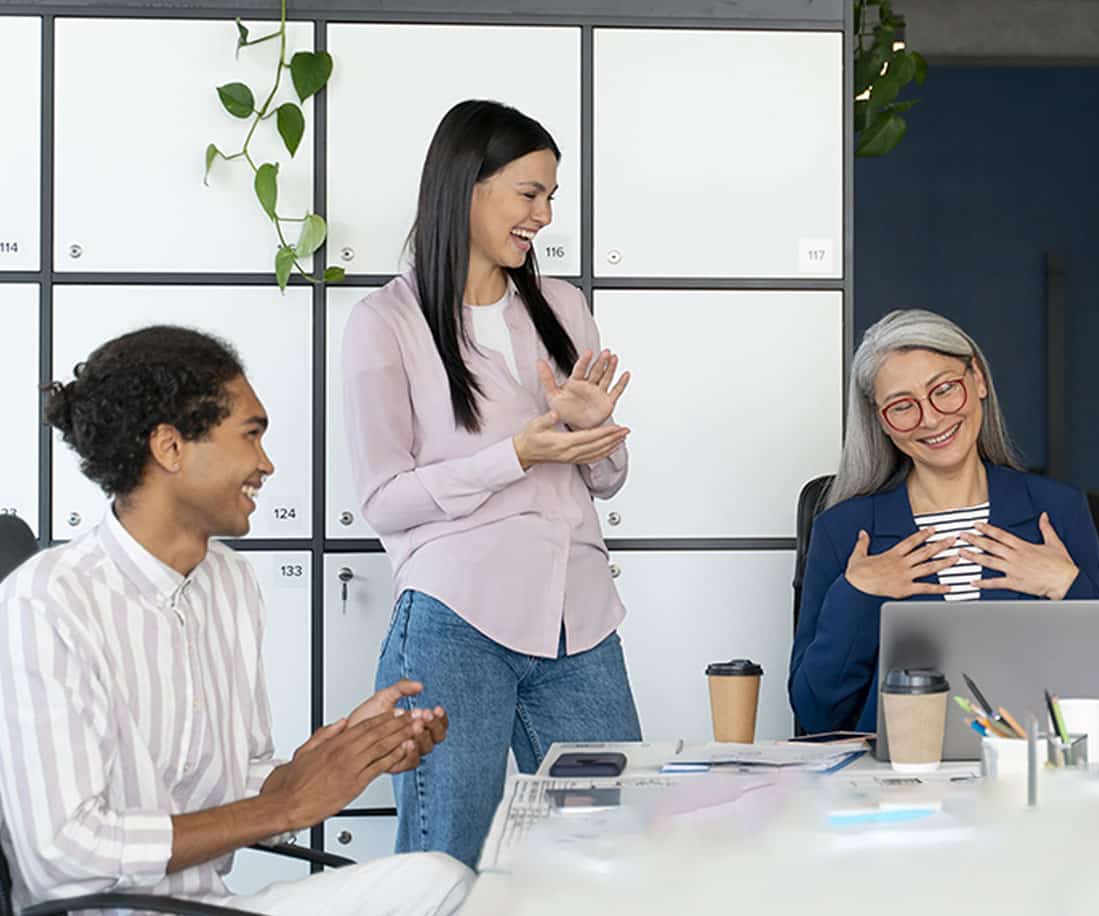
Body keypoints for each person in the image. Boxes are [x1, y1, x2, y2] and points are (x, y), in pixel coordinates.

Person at [0, 326, 471, 915]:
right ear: (170, 448)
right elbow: (60, 855)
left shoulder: (230, 583)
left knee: (443, 879)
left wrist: (338, 760)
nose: (266, 464)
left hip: (210, 906)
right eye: (250, 436)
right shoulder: (48, 603)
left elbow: (244, 781)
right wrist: (285, 807)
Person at [342, 99, 641, 868]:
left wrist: (586, 430)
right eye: (528, 193)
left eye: (549, 197)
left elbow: (604, 479)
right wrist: (517, 452)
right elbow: (383, 500)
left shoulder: (565, 308)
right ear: (465, 186)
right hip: (454, 620)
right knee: (445, 859)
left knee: (613, 847)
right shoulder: (386, 322)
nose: (542, 216)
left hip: (580, 619)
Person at [790, 310, 1099, 733]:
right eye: (903, 406)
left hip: (1028, 772)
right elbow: (816, 715)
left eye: (944, 390)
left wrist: (1066, 586)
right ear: (879, 420)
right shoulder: (844, 530)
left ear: (977, 379)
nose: (931, 418)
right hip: (894, 780)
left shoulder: (1057, 510)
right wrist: (858, 594)